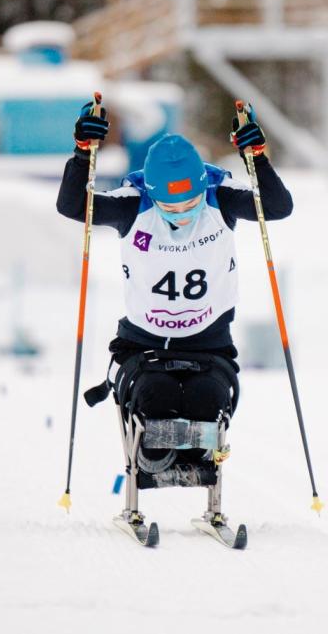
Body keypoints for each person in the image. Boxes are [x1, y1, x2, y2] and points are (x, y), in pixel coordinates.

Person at [56, 99, 292, 474]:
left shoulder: (222, 198)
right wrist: (83, 153)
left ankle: (194, 460)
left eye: (190, 203)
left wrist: (257, 158)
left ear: (203, 187)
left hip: (209, 344)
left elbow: (278, 208)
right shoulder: (133, 204)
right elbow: (72, 206)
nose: (181, 214)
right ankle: (154, 456)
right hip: (145, 345)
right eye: (170, 206)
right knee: (156, 399)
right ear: (152, 192)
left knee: (206, 403)